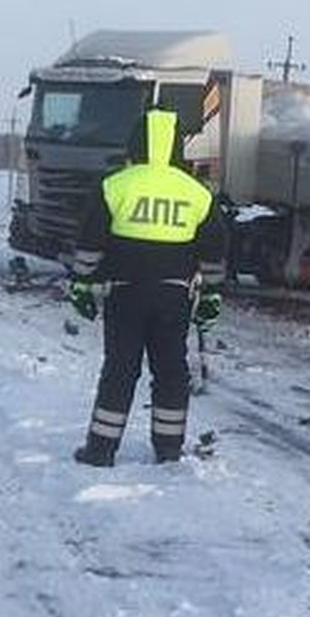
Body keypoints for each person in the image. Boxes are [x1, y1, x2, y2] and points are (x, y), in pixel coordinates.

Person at [67, 107, 225, 466]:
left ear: (135, 143)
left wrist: (80, 284)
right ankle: (168, 450)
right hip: (174, 296)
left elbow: (90, 241)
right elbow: (215, 247)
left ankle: (100, 450)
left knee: (120, 370)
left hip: (124, 293)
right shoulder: (196, 193)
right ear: (177, 148)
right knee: (171, 370)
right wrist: (212, 295)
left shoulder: (114, 186)